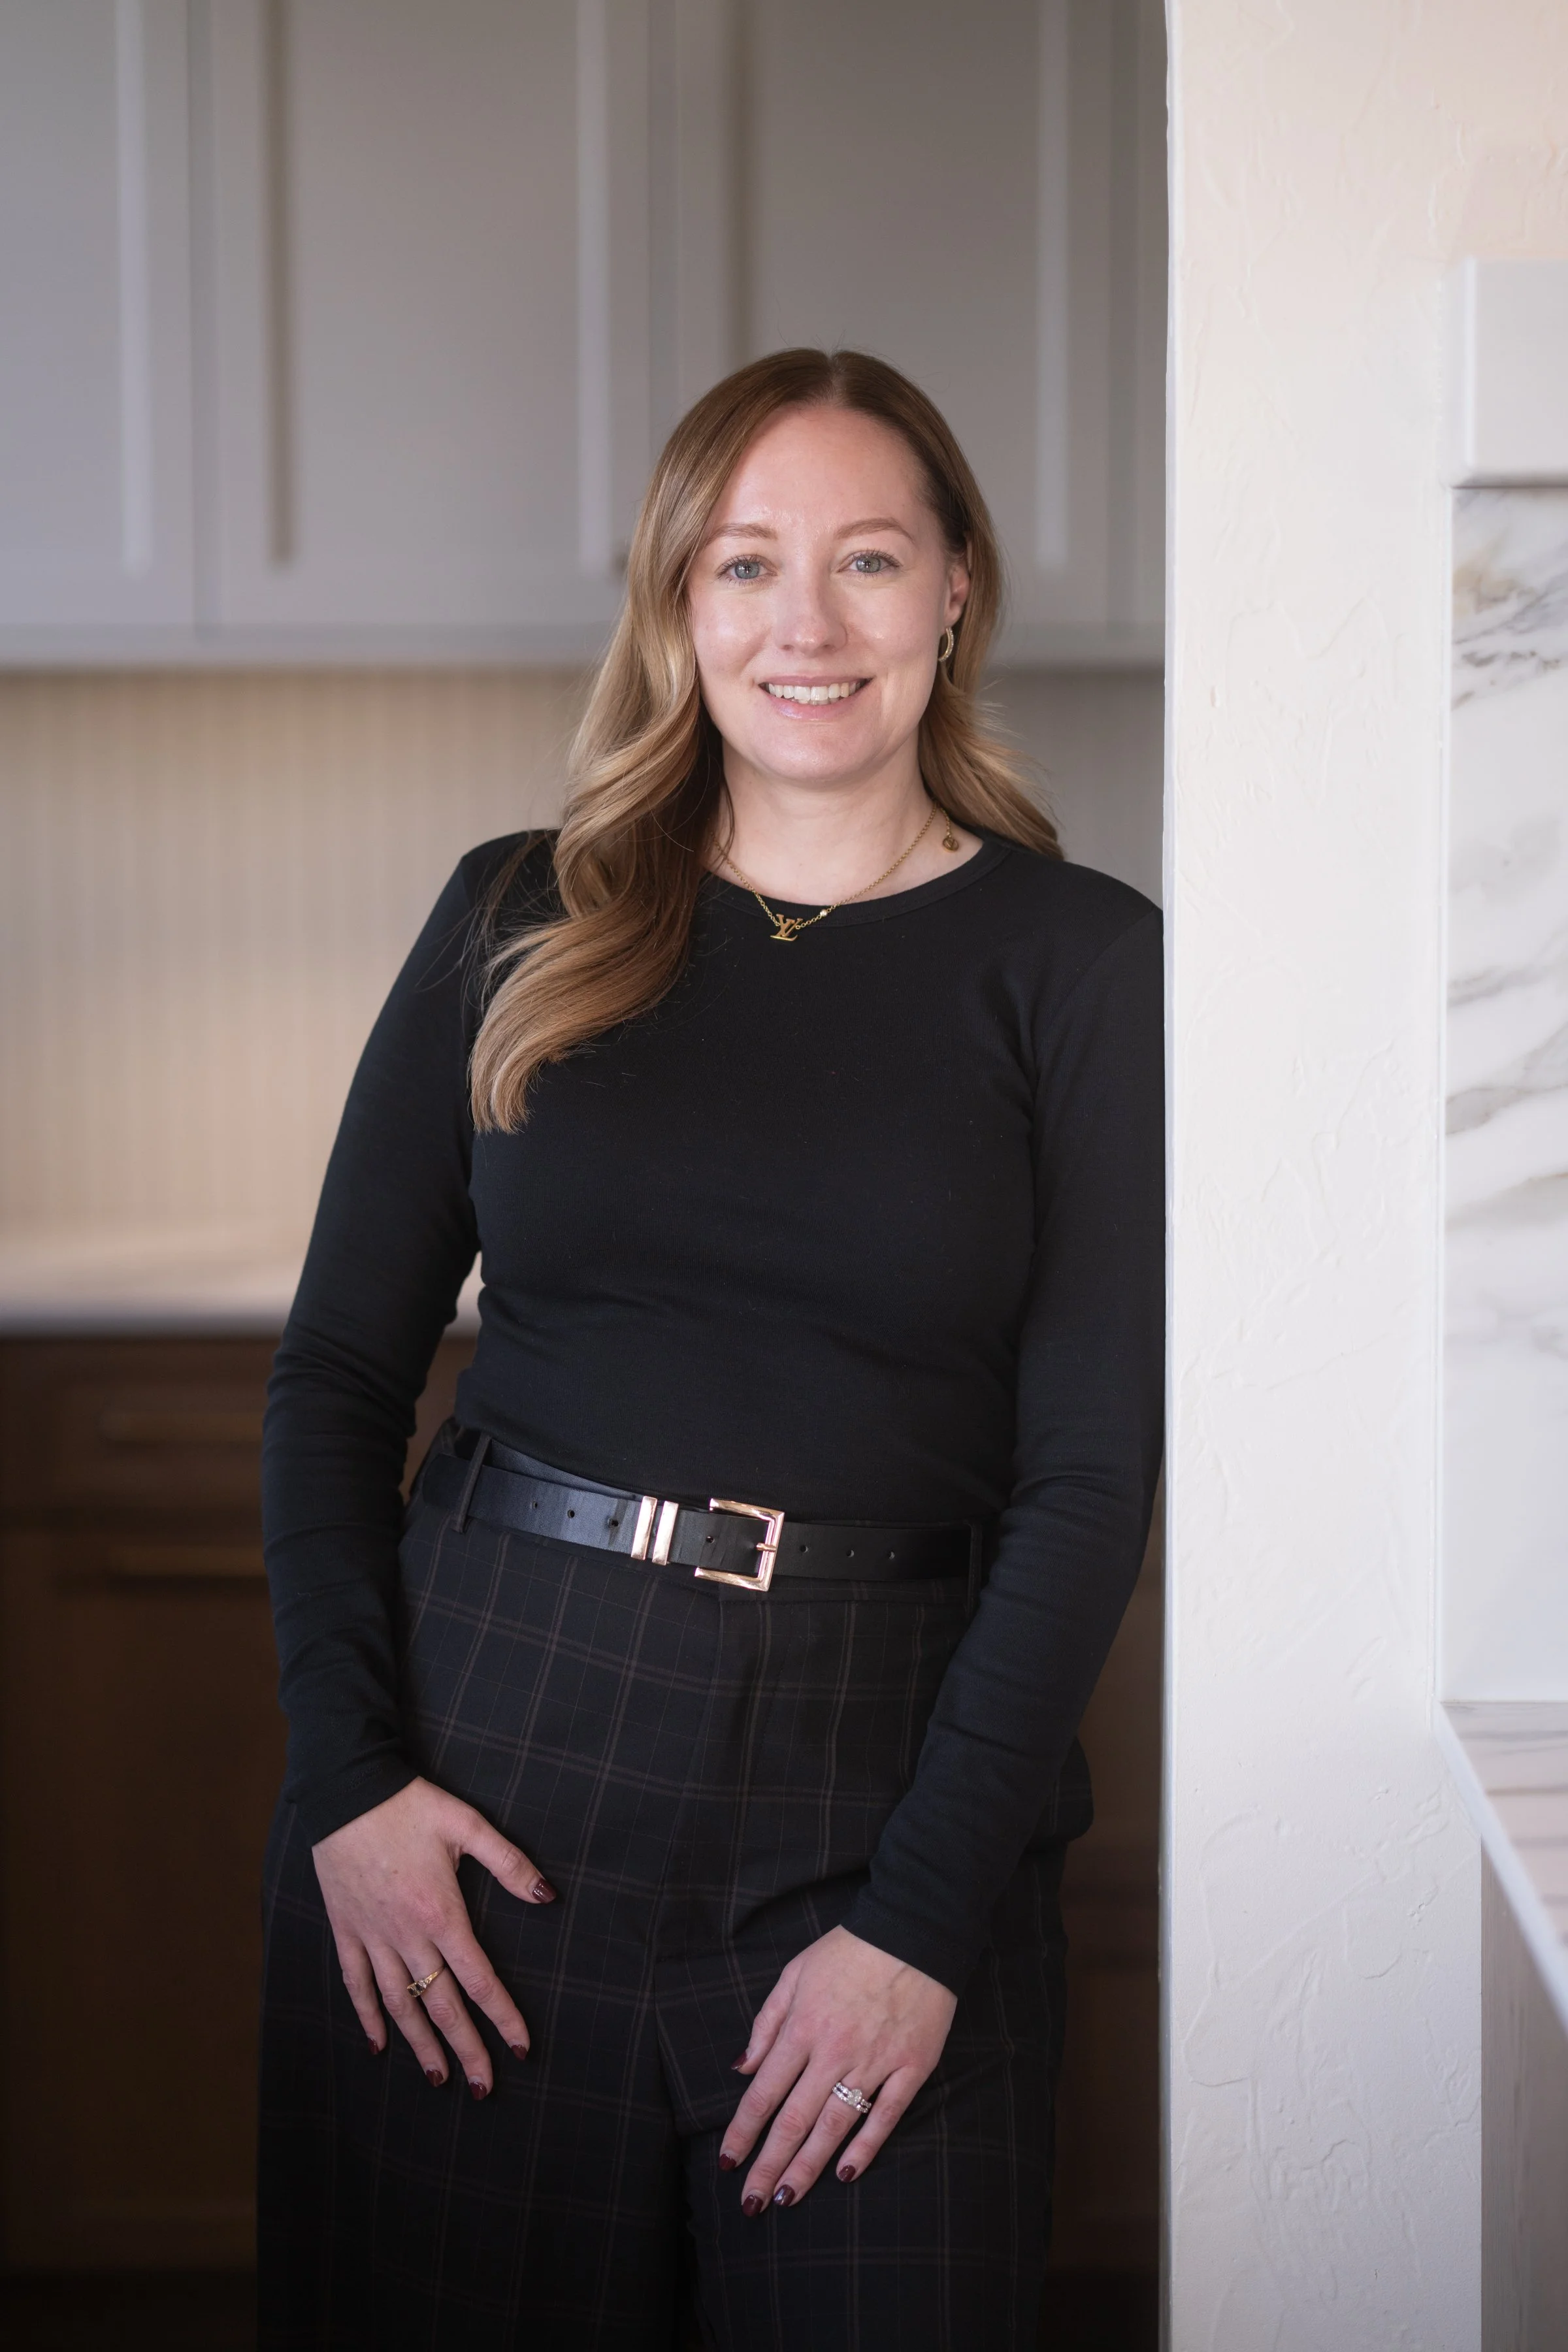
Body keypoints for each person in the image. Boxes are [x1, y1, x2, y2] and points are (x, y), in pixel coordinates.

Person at [257, 346, 1163, 2351]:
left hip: (892, 1792)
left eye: (865, 559)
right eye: (745, 565)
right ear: (677, 606)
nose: (806, 624)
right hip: (489, 1781)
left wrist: (922, 1922)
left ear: (954, 595)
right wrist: (350, 1785)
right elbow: (333, 1378)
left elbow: (1090, 1481)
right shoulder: (514, 918)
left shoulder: (1085, 964)